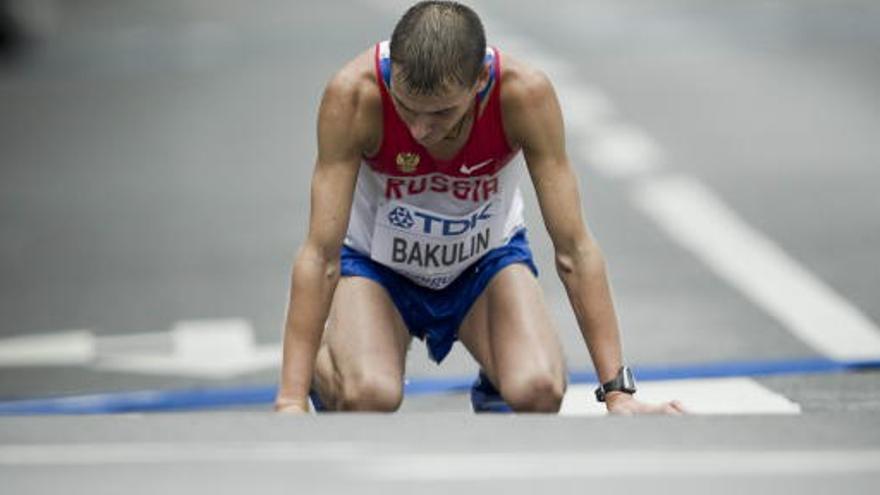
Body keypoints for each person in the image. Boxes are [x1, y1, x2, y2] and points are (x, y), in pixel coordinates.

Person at [275, 0, 685, 415]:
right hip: (376, 269)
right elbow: (319, 253)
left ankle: (499, 377)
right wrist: (291, 400)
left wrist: (618, 393)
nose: (419, 130)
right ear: (391, 73)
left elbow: (575, 248)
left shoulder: (523, 94)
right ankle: (330, 362)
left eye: (441, 112)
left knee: (539, 389)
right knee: (369, 395)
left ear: (481, 80)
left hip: (483, 264)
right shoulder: (354, 94)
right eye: (406, 107)